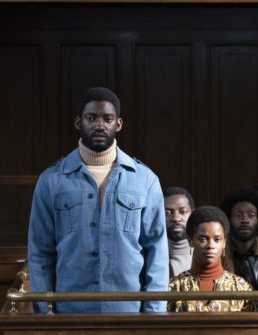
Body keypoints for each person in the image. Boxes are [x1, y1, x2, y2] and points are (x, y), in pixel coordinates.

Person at [28, 87, 168, 313]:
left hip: (128, 313)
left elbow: (157, 250)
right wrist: (44, 311)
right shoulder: (51, 181)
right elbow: (40, 251)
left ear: (118, 124)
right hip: (71, 312)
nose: (100, 125)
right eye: (91, 118)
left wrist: (154, 313)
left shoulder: (145, 180)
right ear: (78, 123)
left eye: (108, 118)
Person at [168, 206, 258, 312]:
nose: (210, 245)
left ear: (224, 242)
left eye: (217, 239)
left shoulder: (242, 288)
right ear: (190, 240)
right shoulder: (175, 287)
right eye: (203, 239)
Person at [219, 188, 258, 274]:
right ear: (228, 220)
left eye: (251, 215)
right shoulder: (217, 251)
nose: (245, 220)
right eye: (238, 215)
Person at [164, 186, 195, 278]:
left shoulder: (206, 253)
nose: (176, 218)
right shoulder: (151, 257)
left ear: (193, 214)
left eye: (183, 212)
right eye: (167, 213)